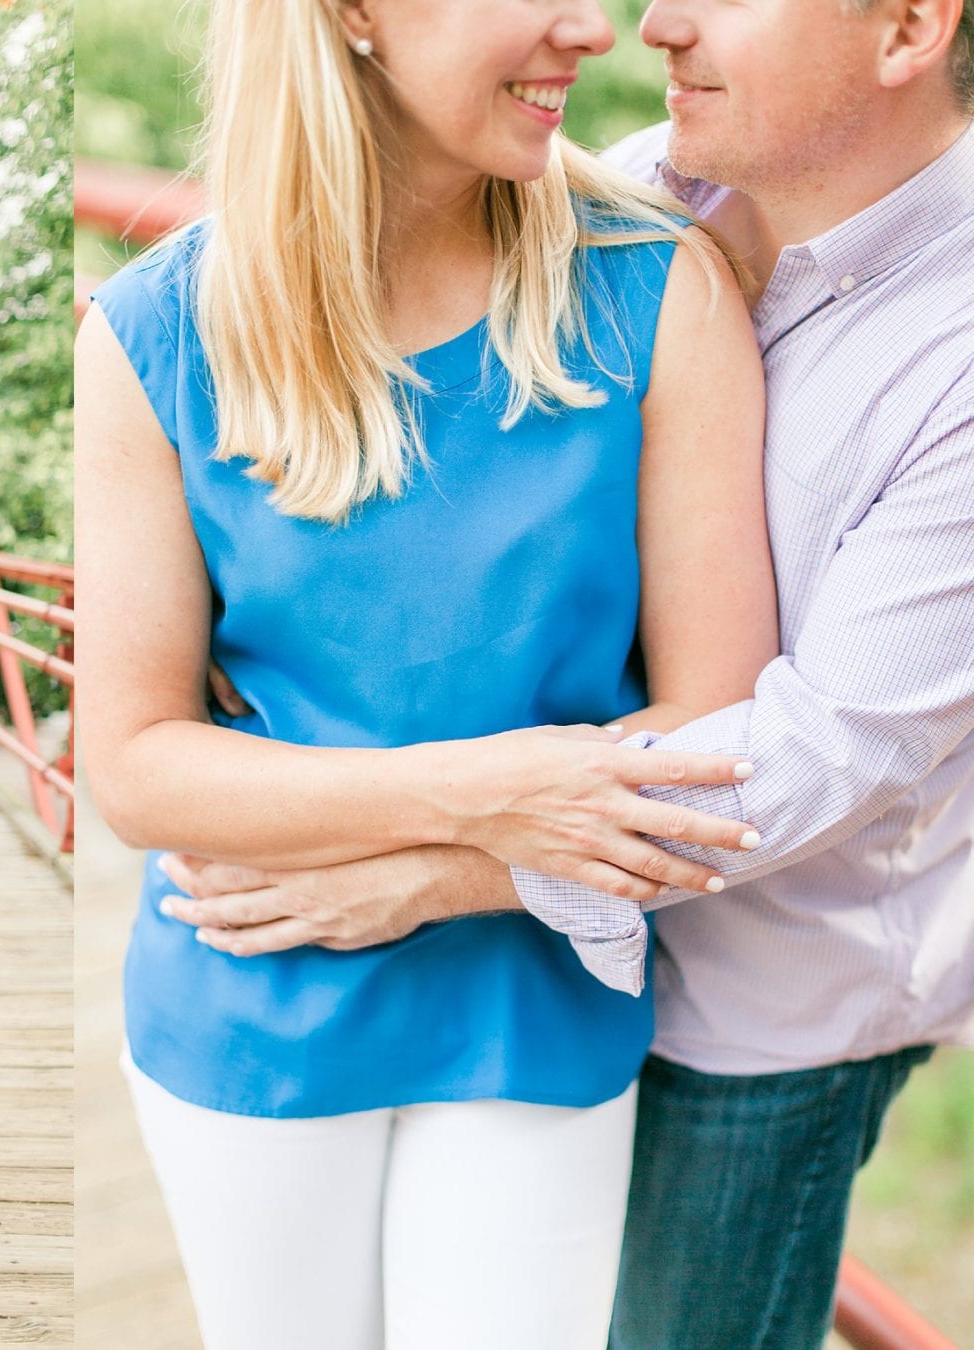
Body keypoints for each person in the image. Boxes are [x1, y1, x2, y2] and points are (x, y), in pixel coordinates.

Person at [159, 2, 974, 1345]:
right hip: (528, 973)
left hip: (760, 1008)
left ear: (904, 27)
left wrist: (425, 867)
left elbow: (815, 749)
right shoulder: (628, 192)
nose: (654, 21)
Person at [77, 0, 778, 1344]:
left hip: (535, 998)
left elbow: (720, 731)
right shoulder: (152, 331)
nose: (597, 27)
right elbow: (139, 764)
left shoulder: (658, 287)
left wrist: (456, 860)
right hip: (254, 981)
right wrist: (495, 788)